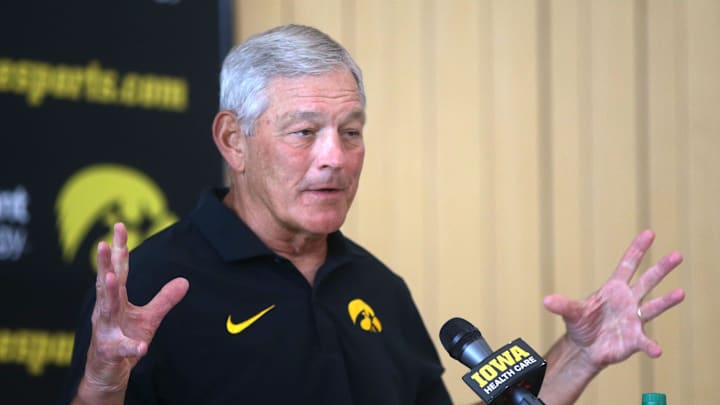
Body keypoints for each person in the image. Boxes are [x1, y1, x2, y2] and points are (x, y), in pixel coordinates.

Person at [62, 24, 685, 404]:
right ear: (233, 140)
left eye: (351, 132)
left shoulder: (378, 290)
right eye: (304, 132)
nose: (335, 159)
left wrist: (576, 357)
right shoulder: (150, 288)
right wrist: (103, 383)